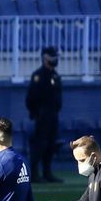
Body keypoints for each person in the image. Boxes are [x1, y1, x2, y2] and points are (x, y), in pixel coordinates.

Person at [25, 46, 62, 183]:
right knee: (39, 145)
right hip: (42, 116)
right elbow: (30, 99)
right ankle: (34, 174)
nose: (55, 59)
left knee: (51, 145)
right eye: (52, 56)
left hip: (53, 115)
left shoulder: (55, 76)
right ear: (45, 57)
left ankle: (47, 172)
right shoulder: (38, 76)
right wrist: (36, 114)